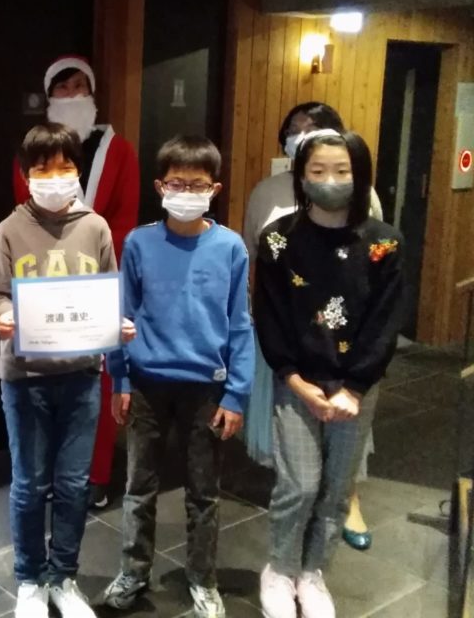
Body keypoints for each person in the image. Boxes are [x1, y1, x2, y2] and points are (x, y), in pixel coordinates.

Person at [101, 136, 254, 618]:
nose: (186, 192)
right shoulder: (139, 242)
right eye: (176, 183)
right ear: (160, 186)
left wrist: (236, 393)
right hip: (147, 381)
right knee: (138, 486)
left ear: (214, 189)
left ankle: (203, 578)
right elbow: (122, 315)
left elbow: (240, 323)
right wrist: (120, 379)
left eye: (197, 184)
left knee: (204, 492)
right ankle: (133, 571)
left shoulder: (230, 247)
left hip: (207, 385)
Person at [254, 131, 404, 618]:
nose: (330, 180)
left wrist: (355, 388)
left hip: (356, 389)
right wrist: (295, 380)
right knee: (299, 485)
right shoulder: (278, 240)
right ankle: (279, 570)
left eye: (342, 171)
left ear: (361, 176)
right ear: (300, 176)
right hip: (297, 382)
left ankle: (313, 572)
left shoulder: (384, 242)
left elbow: (386, 321)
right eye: (317, 171)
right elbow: (270, 315)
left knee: (337, 489)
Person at [0, 122, 134, 618]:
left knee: (73, 485)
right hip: (24, 379)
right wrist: (4, 316)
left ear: (78, 171)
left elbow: (108, 293)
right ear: (26, 174)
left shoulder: (96, 228)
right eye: (43, 169)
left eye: (65, 167)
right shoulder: (8, 230)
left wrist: (117, 326)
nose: (55, 177)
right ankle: (30, 579)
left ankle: (63, 577)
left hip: (82, 376)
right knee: (29, 485)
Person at [243, 102, 384, 552]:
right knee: (294, 442)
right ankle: (293, 502)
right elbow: (253, 256)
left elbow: (376, 266)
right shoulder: (266, 192)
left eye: (315, 126)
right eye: (295, 128)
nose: (303, 134)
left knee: (346, 437)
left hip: (347, 342)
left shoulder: (364, 195)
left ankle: (348, 499)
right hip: (290, 334)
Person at [12, 56, 140, 509]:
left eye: (80, 86)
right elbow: (24, 214)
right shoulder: (31, 151)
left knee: (96, 377)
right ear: (50, 97)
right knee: (45, 380)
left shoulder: (118, 150)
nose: (72, 95)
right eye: (62, 88)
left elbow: (124, 219)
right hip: (43, 281)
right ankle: (48, 473)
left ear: (92, 93)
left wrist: (98, 269)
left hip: (99, 280)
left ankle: (95, 475)